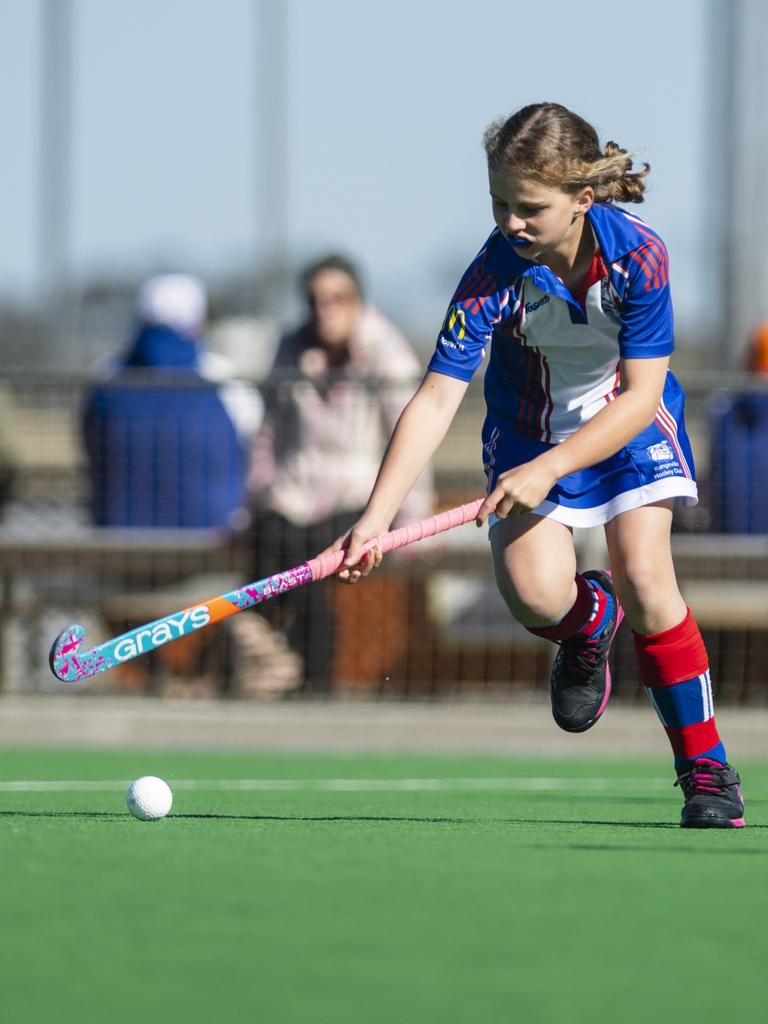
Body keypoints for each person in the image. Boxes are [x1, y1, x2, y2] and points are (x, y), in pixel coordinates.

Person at [327, 103, 745, 829]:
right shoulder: (493, 272)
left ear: (583, 199)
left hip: (629, 422)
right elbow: (433, 401)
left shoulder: (638, 257)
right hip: (526, 434)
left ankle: (705, 769)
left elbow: (644, 395)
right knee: (534, 597)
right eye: (499, 203)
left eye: (529, 208)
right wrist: (374, 520)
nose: (511, 222)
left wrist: (554, 468)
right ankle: (590, 623)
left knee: (648, 579)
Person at [247, 254, 433, 694]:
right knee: (272, 537)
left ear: (357, 301)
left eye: (337, 299)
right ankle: (269, 662)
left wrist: (412, 520)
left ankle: (313, 678)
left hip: (359, 494)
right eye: (315, 300)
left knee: (318, 556)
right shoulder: (290, 347)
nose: (325, 309)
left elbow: (411, 436)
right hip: (293, 493)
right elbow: (268, 432)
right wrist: (253, 502)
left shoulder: (387, 350)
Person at [83, 273, 263, 528]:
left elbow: (88, 440)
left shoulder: (107, 376)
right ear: (197, 322)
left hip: (117, 531)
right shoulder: (224, 377)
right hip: (214, 538)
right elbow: (254, 442)